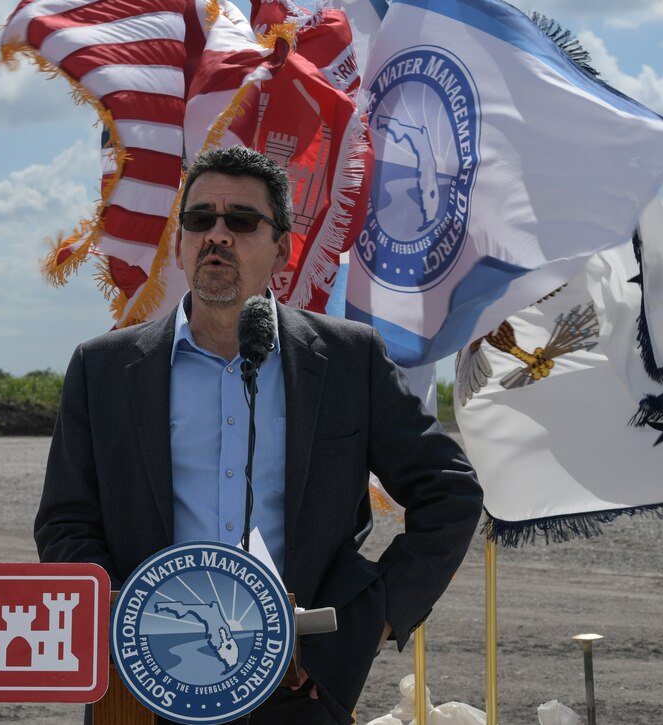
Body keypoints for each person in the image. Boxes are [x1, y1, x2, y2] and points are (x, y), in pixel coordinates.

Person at [36, 145, 483, 724]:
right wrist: (128, 625)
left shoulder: (349, 361)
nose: (217, 235)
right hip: (146, 690)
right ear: (180, 242)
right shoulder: (103, 370)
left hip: (297, 690)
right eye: (200, 220)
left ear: (282, 249)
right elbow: (65, 525)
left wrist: (370, 620)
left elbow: (449, 491)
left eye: (242, 221)